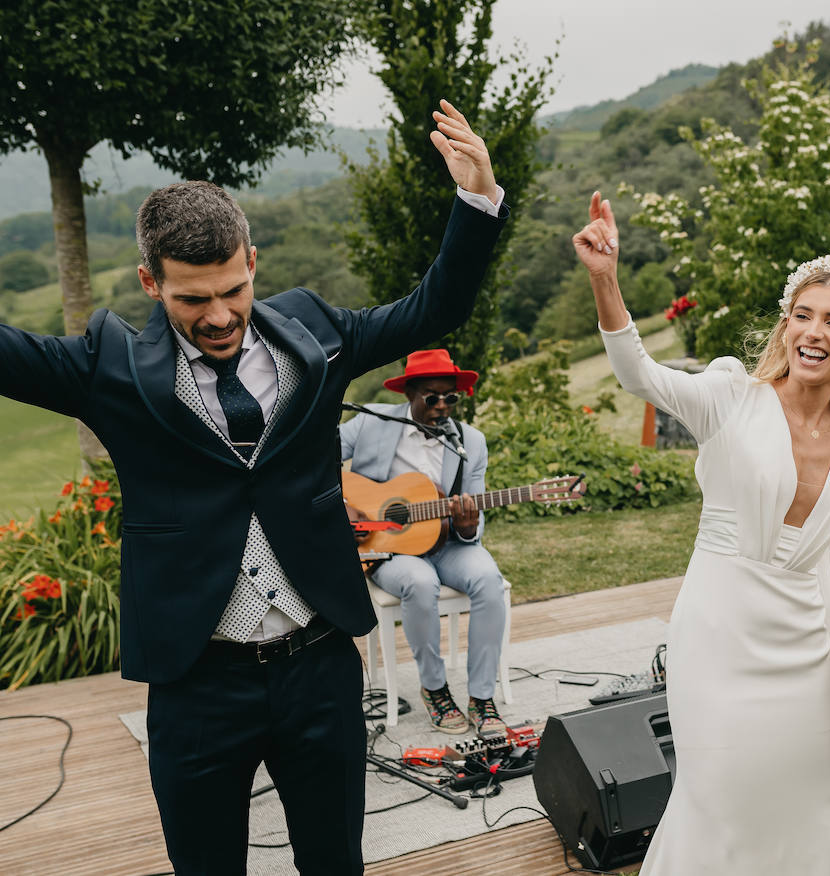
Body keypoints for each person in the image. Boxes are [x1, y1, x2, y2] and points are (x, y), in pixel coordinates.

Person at [0, 99, 506, 876]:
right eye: (192, 299)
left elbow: (435, 306)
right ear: (149, 281)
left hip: (319, 664)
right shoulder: (109, 367)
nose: (218, 315)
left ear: (252, 263)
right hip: (197, 680)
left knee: (335, 864)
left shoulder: (316, 332)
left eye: (232, 290)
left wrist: (476, 200)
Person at [572, 191, 830, 874]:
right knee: (718, 796)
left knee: (803, 797)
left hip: (810, 645)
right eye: (801, 315)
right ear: (786, 326)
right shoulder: (729, 399)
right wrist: (606, 278)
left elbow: (827, 534)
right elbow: (639, 374)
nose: (813, 331)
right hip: (719, 635)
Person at [340, 349, 508, 737]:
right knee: (420, 582)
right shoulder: (371, 421)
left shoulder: (471, 442)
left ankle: (482, 698)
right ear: (409, 394)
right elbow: (315, 460)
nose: (442, 406)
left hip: (450, 545)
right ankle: (435, 688)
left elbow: (474, 511)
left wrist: (467, 525)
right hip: (387, 545)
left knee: (489, 580)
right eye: (432, 397)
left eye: (450, 397)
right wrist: (343, 508)